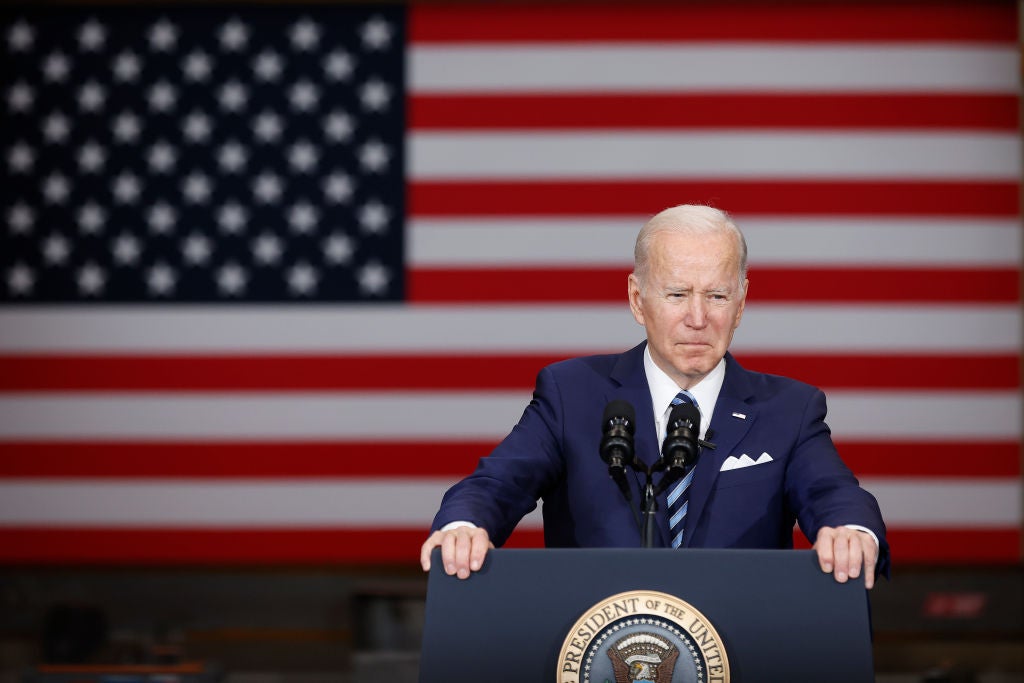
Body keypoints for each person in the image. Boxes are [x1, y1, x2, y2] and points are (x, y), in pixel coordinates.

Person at [420, 204, 889, 587]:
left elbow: (833, 492)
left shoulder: (788, 409)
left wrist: (851, 530)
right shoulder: (572, 394)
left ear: (742, 302)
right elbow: (497, 483)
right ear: (636, 298)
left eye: (718, 297)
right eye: (677, 294)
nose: (698, 318)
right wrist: (464, 527)